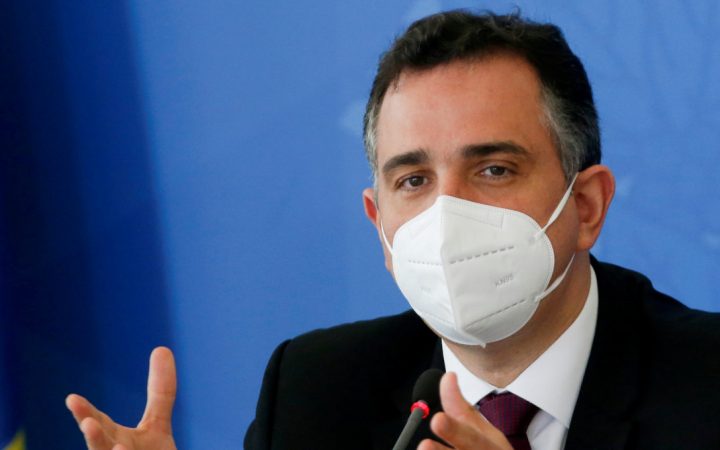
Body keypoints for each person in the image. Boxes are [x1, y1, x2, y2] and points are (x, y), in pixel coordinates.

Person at [66, 10, 720, 450]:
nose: (447, 211)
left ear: (587, 206)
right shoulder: (315, 392)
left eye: (494, 169)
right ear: (379, 225)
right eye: (413, 180)